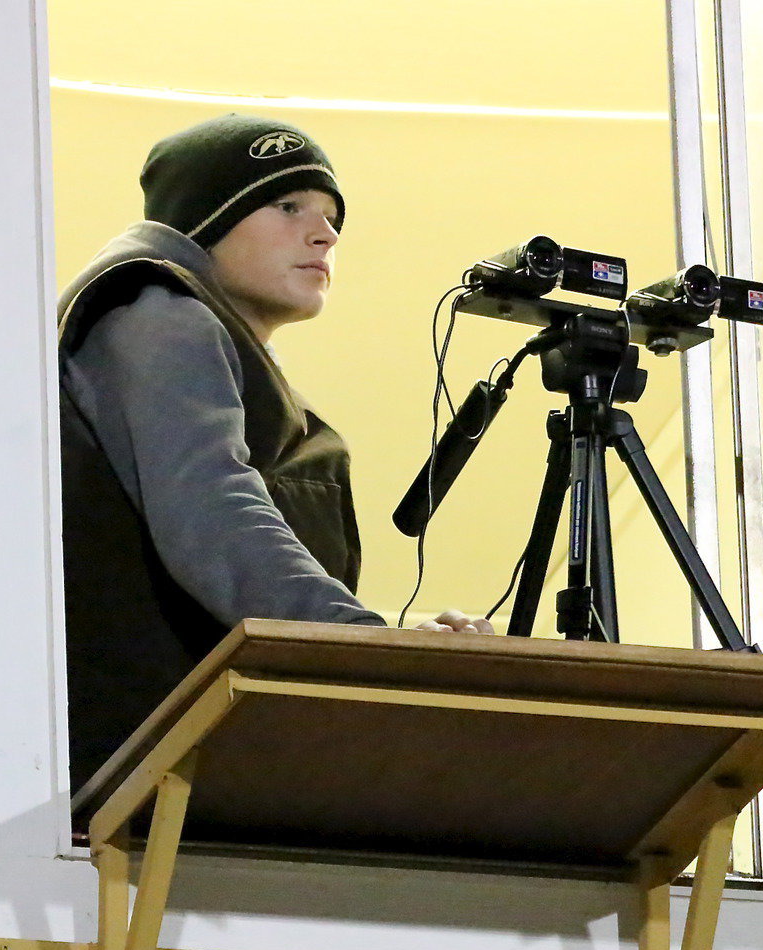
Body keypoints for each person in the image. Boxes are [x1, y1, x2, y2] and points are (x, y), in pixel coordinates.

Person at [58, 113, 492, 794]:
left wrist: (400, 634)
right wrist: (371, 646)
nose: (324, 234)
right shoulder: (156, 308)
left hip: (175, 768)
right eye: (288, 206)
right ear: (205, 218)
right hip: (142, 775)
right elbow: (213, 516)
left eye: (330, 217)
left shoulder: (192, 336)